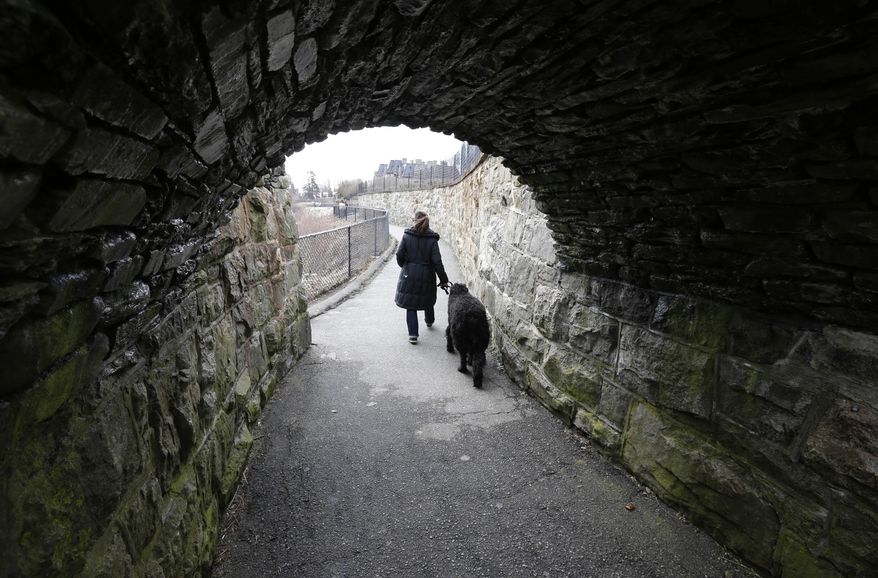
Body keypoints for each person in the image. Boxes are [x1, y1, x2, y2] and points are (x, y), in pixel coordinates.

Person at [395, 211, 449, 344]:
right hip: (427, 273)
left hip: (409, 274)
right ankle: (429, 321)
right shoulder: (432, 240)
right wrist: (444, 280)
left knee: (410, 303)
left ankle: (413, 334)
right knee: (427, 298)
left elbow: (399, 255)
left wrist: (405, 266)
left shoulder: (407, 236)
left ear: (414, 221)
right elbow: (437, 262)